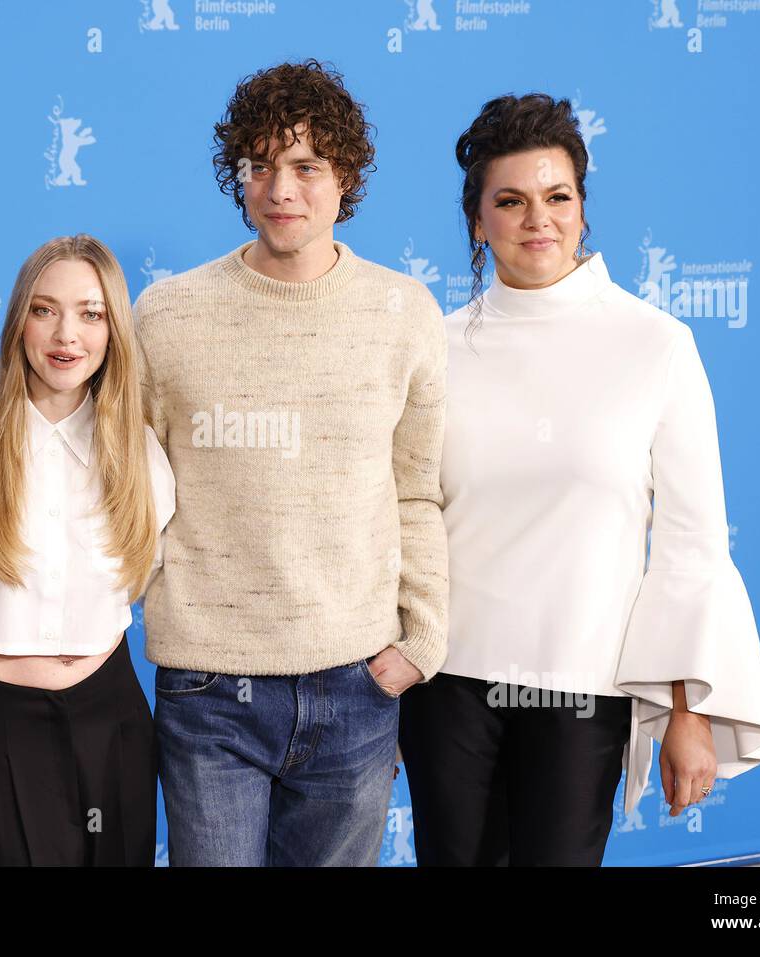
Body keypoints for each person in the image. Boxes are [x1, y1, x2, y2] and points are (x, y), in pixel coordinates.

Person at [396, 93, 760, 866]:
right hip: (448, 687)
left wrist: (688, 710)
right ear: (478, 220)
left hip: (581, 686)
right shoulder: (432, 347)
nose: (538, 218)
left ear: (581, 207)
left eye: (557, 197)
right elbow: (404, 516)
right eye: (510, 201)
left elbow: (691, 545)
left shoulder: (656, 346)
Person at [134, 59, 449, 867]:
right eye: (261, 164)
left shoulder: (404, 313)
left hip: (357, 681)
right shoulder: (166, 315)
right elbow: (129, 485)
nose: (281, 188)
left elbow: (417, 489)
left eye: (306, 165)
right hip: (210, 685)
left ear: (343, 176)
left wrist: (423, 637)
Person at [0, 235, 174, 866]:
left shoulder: (143, 453)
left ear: (114, 330)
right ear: (18, 324)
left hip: (111, 714)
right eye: (44, 309)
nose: (67, 335)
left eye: (91, 314)